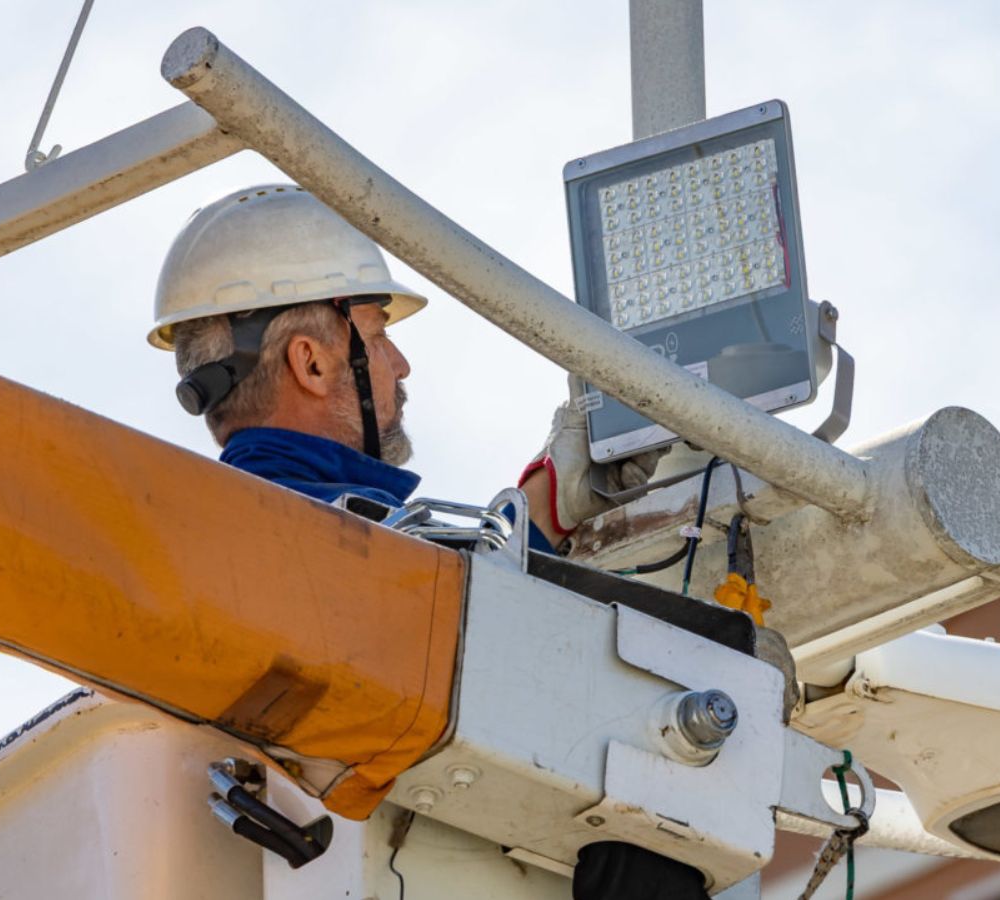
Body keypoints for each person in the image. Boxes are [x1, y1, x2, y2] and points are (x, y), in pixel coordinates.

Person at [150, 183, 699, 899]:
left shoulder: (240, 537)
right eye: (377, 337)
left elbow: (450, 585)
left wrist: (550, 502)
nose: (399, 365)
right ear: (312, 364)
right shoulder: (314, 542)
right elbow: (451, 609)